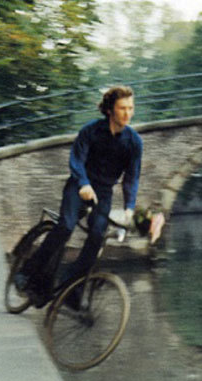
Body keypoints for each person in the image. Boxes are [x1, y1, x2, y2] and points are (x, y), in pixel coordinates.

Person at [14, 85, 143, 307]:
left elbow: (131, 178)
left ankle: (71, 290)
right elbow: (76, 160)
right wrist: (83, 183)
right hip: (79, 184)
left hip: (102, 192)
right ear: (110, 110)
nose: (127, 113)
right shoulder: (90, 131)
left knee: (97, 236)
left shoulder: (133, 142)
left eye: (131, 108)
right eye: (122, 108)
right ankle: (27, 272)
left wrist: (129, 208)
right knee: (66, 225)